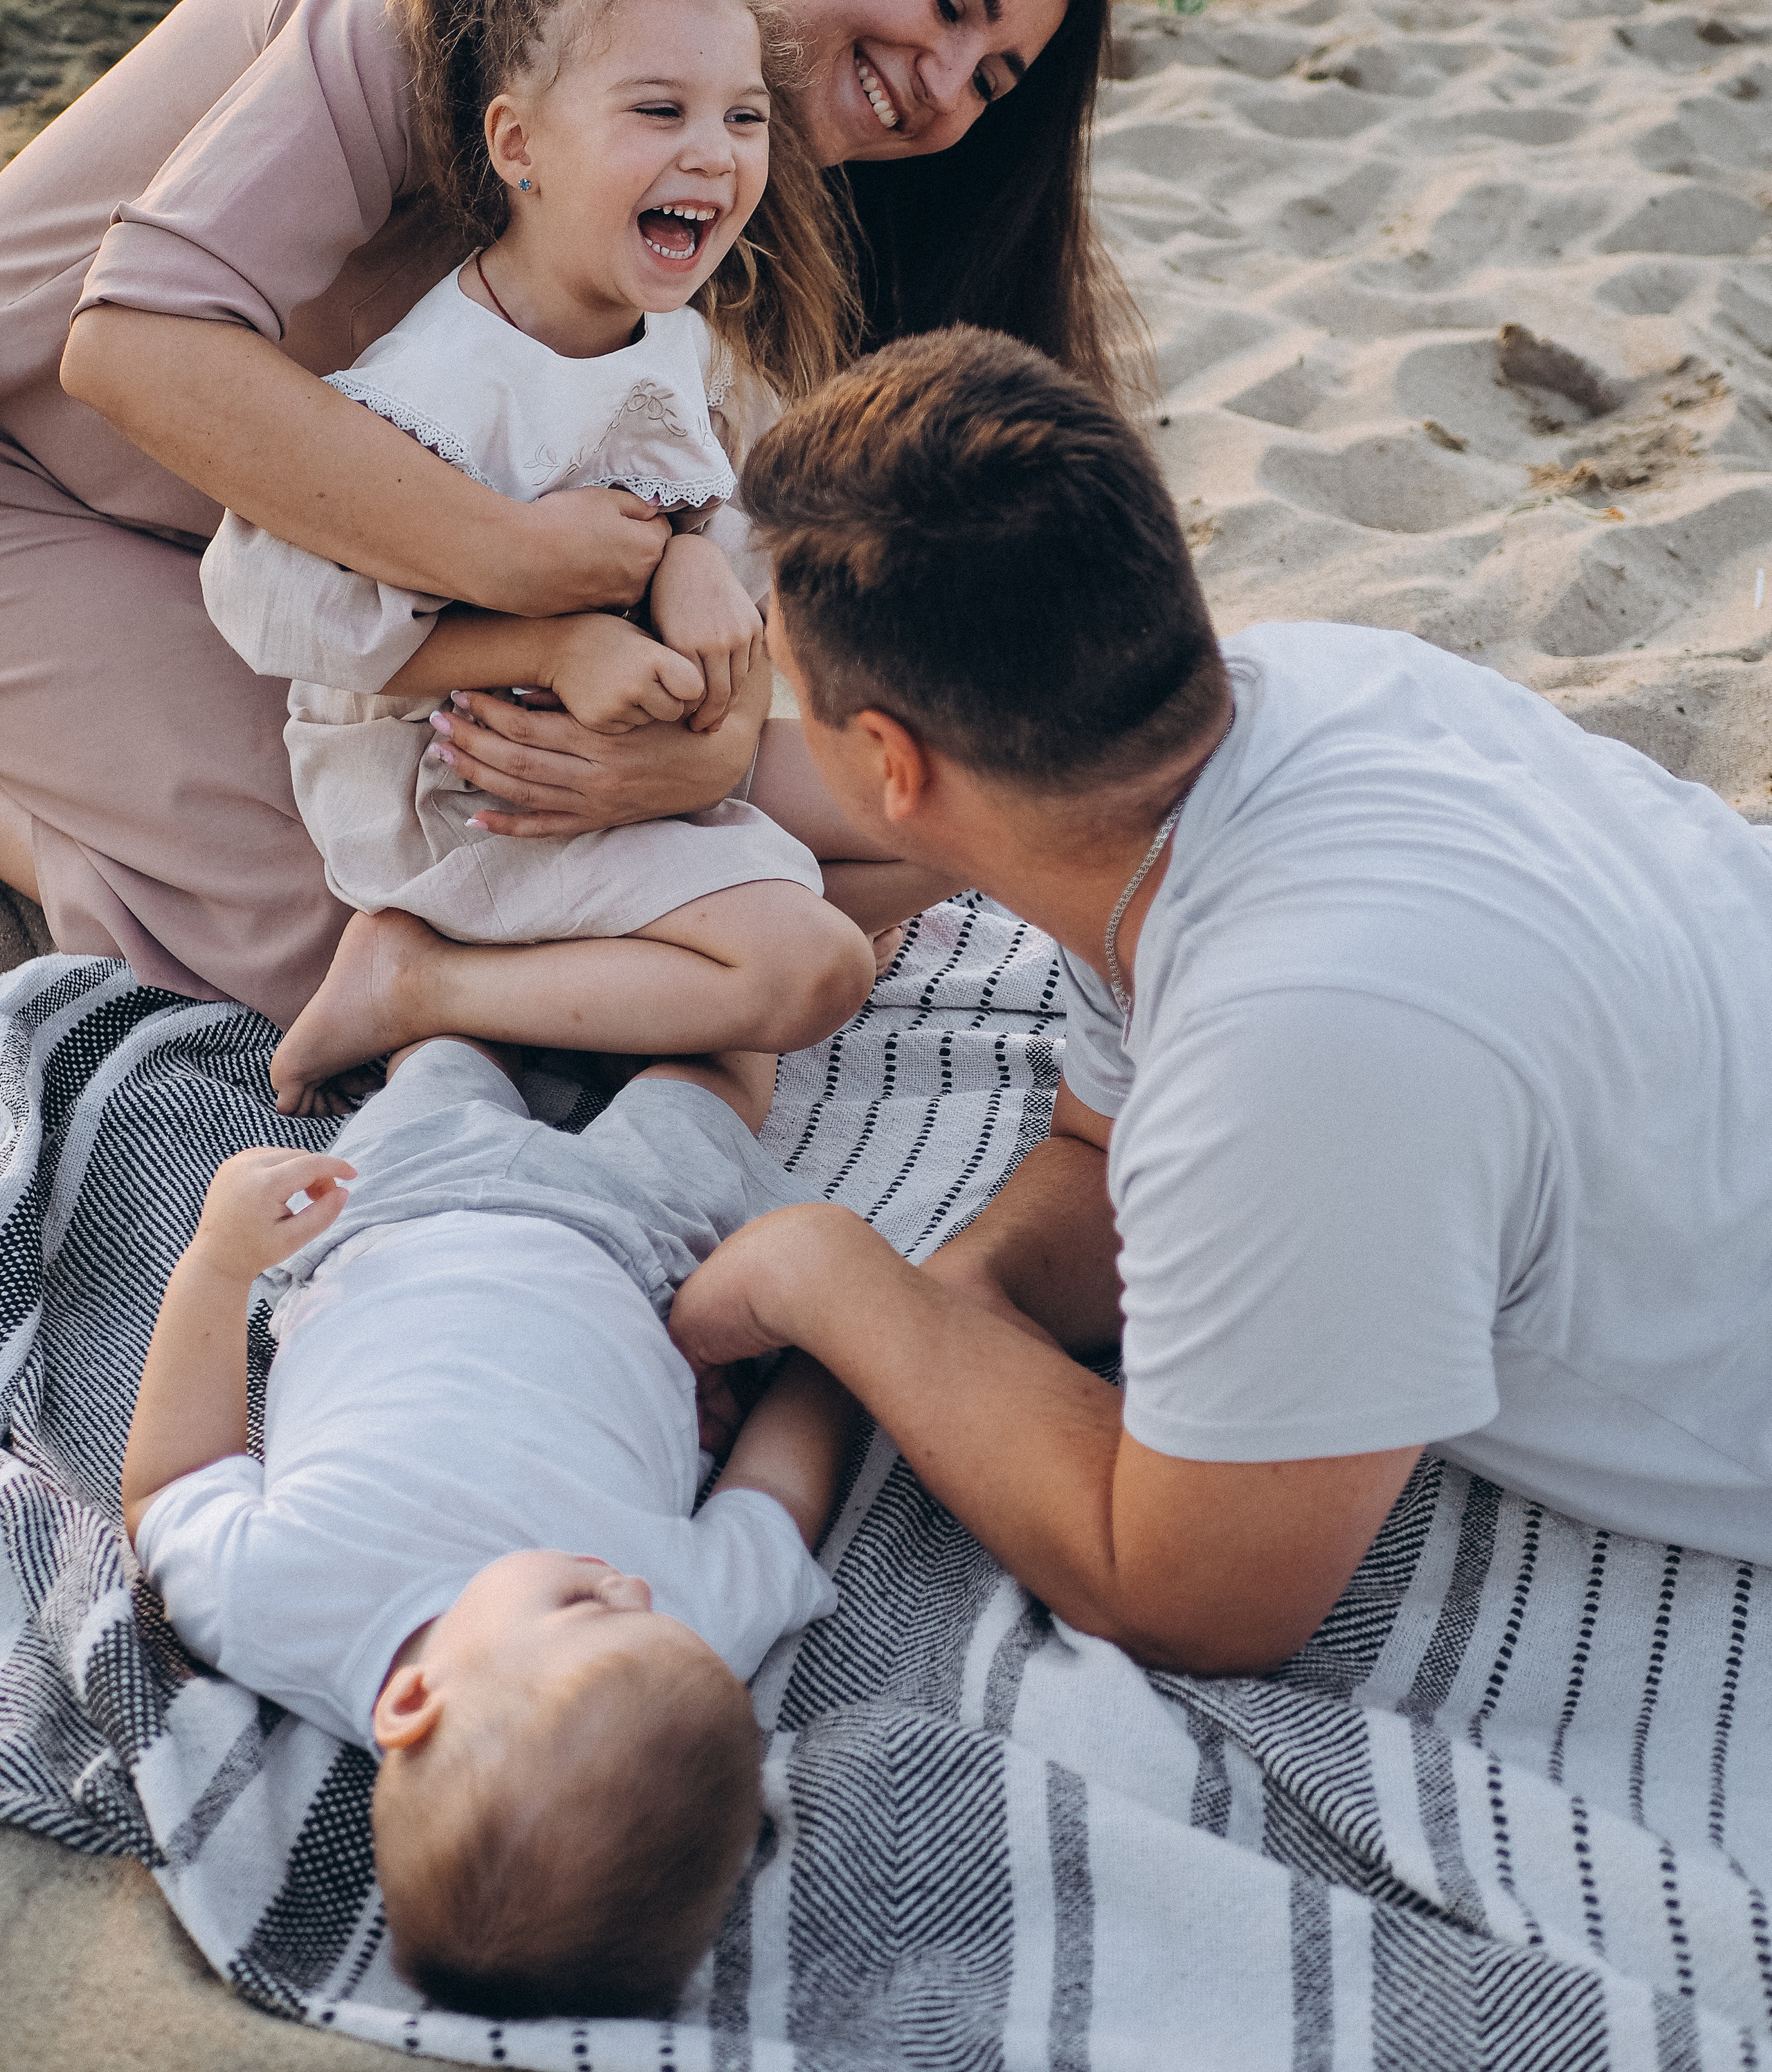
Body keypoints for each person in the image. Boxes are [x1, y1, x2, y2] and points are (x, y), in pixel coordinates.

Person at [667, 327, 1772, 1676]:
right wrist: (961, 1307)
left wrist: (832, 1281)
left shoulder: (1296, 1047)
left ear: (890, 764)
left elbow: (1196, 1598)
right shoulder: (1272, 711)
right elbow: (1099, 1157)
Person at [0, 0, 1130, 1025]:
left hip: (304, 563)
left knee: (666, 842)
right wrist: (517, 558)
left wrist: (702, 736)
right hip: (35, 475)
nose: (945, 81)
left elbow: (672, 517)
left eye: (993, 80)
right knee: (329, 921)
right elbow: (134, 344)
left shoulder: (720, 186)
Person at [199, 0, 874, 1114]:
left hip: (624, 758)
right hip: (463, 800)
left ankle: (602, 1015)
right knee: (812, 970)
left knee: (931, 810)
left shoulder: (669, 332)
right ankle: (419, 984)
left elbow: (698, 500)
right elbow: (277, 615)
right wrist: (553, 644)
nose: (712, 156)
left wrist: (688, 566)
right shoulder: (437, 387)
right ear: (520, 146)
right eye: (659, 109)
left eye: (742, 117)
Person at [121, 1035, 854, 2017]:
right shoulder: (681, 1654)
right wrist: (842, 1335)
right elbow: (779, 1482)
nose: (631, 1587)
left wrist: (216, 1261)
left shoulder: (276, 1598)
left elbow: (172, 1481)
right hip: (640, 1243)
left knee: (448, 1051)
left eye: (592, 1611)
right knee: (713, 1078)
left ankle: (466, 986)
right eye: (657, 1616)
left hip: (381, 1209)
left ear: (413, 1699)